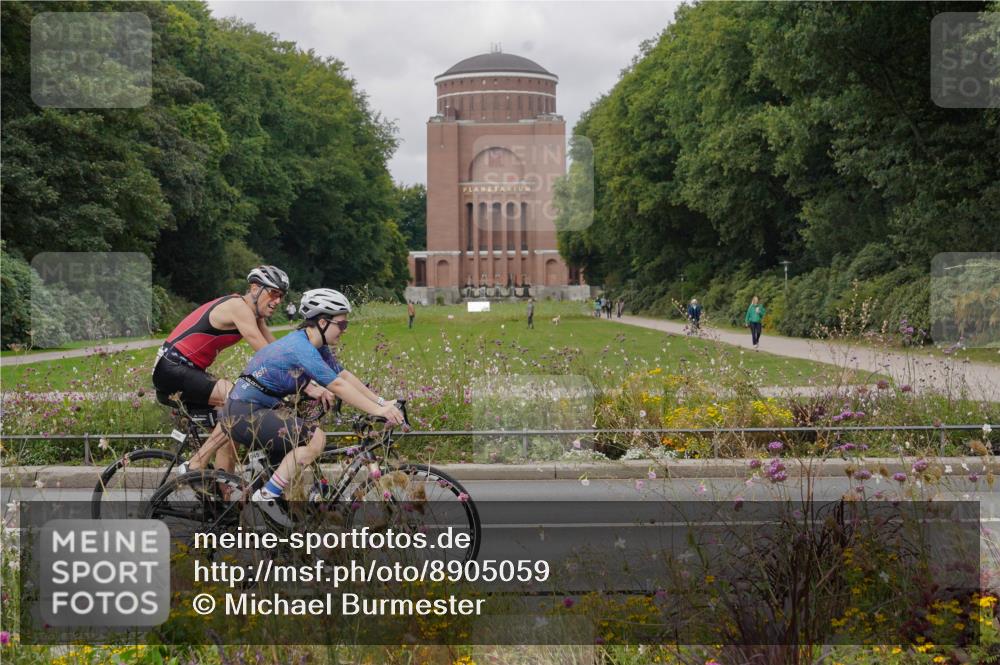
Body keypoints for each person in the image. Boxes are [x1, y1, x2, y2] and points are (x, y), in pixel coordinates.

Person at [222, 288, 404, 526]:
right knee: (315, 439)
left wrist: (381, 402)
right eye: (342, 324)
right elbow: (337, 384)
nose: (344, 330)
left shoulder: (316, 345)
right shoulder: (301, 347)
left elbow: (344, 375)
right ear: (322, 321)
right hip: (244, 412)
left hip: (256, 408)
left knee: (289, 490)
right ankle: (265, 496)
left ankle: (283, 544)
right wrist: (377, 411)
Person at [153, 266, 290, 473]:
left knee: (231, 432)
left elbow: (276, 350)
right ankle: (197, 462)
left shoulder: (255, 316)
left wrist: (306, 377)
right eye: (273, 293)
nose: (278, 300)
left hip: (189, 371)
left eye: (281, 296)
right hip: (172, 368)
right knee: (239, 400)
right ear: (254, 288)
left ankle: (222, 495)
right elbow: (264, 354)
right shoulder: (238, 307)